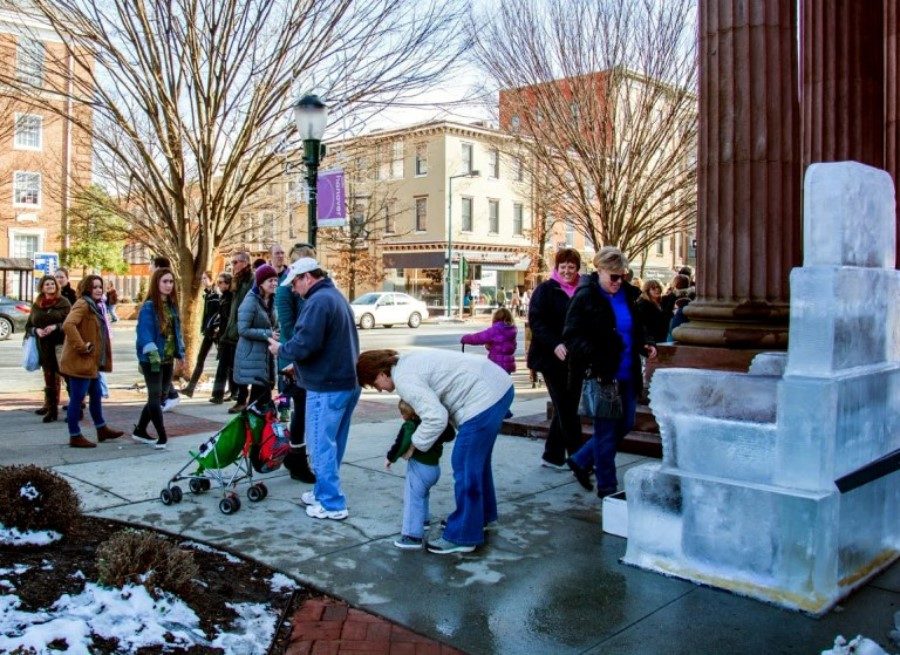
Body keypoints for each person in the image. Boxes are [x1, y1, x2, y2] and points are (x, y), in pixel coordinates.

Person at [358, 348, 514, 555]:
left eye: (374, 384)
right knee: (477, 463)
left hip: (485, 397)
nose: (378, 390)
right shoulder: (407, 361)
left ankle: (464, 535)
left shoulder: (404, 380)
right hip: (497, 385)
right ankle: (481, 516)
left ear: (381, 374)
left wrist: (413, 445)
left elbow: (436, 418)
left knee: (464, 465)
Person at [268, 258, 360, 521]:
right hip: (345, 383)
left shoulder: (318, 302)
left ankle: (332, 503)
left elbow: (304, 343)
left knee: (321, 446)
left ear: (307, 277)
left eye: (295, 283)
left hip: (327, 386)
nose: (294, 289)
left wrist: (281, 351)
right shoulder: (334, 297)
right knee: (332, 444)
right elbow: (326, 344)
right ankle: (323, 492)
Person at [563, 246, 657, 498]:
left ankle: (581, 458)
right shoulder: (585, 296)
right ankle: (608, 488)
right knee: (605, 433)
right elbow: (571, 336)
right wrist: (595, 354)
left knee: (625, 423)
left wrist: (645, 343)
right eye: (613, 276)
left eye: (622, 276)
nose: (618, 281)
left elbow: (636, 329)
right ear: (599, 271)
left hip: (627, 372)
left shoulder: (628, 295)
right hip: (602, 374)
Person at [527, 248, 584, 470]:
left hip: (575, 359)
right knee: (567, 408)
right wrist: (555, 344)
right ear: (557, 268)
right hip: (550, 359)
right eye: (564, 267)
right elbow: (537, 322)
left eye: (572, 266)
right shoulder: (545, 290)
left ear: (577, 268)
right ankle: (579, 458)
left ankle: (552, 456)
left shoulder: (584, 290)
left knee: (565, 408)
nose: (568, 271)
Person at [58, 275, 124, 448]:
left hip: (91, 362)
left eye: (100, 287)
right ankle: (75, 435)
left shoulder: (96, 306)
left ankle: (101, 429)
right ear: (87, 288)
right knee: (77, 400)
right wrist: (82, 346)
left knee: (96, 396)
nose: (98, 290)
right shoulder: (83, 304)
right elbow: (68, 325)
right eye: (94, 287)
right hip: (81, 361)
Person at [274, 243, 317, 483]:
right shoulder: (285, 290)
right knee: (298, 408)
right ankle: (296, 457)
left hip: (303, 354)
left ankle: (296, 455)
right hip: (293, 357)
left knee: (303, 408)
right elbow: (289, 329)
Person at [387, 400, 455, 550]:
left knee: (413, 499)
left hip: (419, 467)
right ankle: (423, 521)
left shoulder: (410, 425)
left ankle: (412, 535)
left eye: (403, 413)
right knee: (423, 494)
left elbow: (402, 443)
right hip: (434, 468)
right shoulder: (432, 424)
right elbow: (451, 434)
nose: (402, 416)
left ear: (409, 414)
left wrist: (390, 458)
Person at [131, 267, 185, 450]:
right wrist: (152, 354)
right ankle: (162, 436)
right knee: (155, 398)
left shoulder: (171, 305)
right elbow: (144, 334)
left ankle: (140, 430)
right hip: (152, 360)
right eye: (165, 282)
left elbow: (176, 333)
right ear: (156, 283)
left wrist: (181, 354)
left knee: (160, 397)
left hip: (168, 358)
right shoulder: (148, 307)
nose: (169, 285)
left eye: (171, 282)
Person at [26, 274, 71, 422]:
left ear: (56, 286)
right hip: (43, 346)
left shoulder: (63, 302)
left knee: (67, 376)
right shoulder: (37, 303)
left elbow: (71, 323)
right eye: (47, 284)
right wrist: (36, 330)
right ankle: (52, 411)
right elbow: (29, 326)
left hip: (61, 344)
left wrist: (55, 327)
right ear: (42, 287)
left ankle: (76, 409)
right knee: (49, 377)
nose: (50, 286)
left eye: (52, 284)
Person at [234, 264, 279, 408]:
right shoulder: (250, 301)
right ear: (261, 283)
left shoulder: (272, 300)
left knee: (262, 400)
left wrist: (276, 332)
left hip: (266, 357)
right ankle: (251, 428)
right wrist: (268, 334)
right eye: (270, 280)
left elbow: (274, 323)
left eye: (275, 280)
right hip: (251, 357)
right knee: (259, 402)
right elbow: (243, 329)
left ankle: (257, 428)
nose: (274, 283)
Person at [219, 251, 253, 413]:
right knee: (232, 365)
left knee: (241, 366)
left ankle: (243, 399)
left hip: (243, 330)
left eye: (236, 262)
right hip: (232, 330)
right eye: (232, 263)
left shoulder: (251, 280)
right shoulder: (236, 281)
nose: (233, 266)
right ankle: (238, 396)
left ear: (245, 263)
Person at [181, 271, 220, 398]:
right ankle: (190, 389)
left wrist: (214, 328)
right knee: (200, 359)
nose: (203, 281)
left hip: (215, 333)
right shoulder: (208, 295)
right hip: (208, 332)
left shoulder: (216, 295)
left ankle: (229, 390)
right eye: (202, 278)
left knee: (225, 362)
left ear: (211, 279)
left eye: (205, 279)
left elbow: (218, 314)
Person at [460, 307, 517, 374]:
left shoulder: (495, 330)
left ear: (496, 318)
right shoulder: (512, 330)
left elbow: (478, 338)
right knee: (503, 383)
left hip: (496, 364)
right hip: (508, 365)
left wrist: (465, 338)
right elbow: (512, 346)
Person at [208, 272, 236, 403]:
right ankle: (225, 393)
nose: (218, 285)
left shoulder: (230, 298)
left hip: (229, 337)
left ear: (228, 284)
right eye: (218, 282)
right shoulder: (224, 297)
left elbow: (229, 318)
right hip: (224, 336)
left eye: (221, 282)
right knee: (226, 366)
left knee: (226, 366)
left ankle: (222, 393)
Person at [635, 280, 668, 344]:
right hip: (650, 341)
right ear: (647, 291)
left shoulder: (662, 302)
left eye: (658, 287)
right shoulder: (643, 304)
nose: (657, 289)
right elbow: (642, 325)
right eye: (653, 288)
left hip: (661, 339)